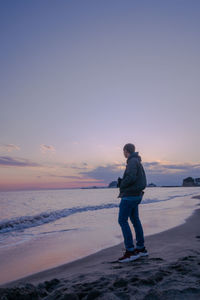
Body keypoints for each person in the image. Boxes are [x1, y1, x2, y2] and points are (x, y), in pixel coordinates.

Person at [117, 143, 148, 262]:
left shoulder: (132, 161)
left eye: (123, 151)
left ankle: (130, 251)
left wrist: (121, 185)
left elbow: (130, 177)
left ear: (126, 151)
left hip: (130, 196)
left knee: (122, 220)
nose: (123, 153)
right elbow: (134, 178)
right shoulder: (137, 161)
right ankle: (141, 248)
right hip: (136, 195)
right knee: (135, 220)